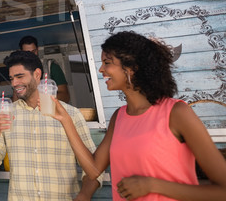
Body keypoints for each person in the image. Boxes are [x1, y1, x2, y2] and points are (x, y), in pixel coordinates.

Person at [50, 31, 226, 200]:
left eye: (107, 62)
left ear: (132, 67)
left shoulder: (176, 113)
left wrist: (153, 185)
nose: (101, 69)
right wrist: (66, 120)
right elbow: (94, 169)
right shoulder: (118, 117)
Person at [0, 50, 101, 200]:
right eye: (11, 78)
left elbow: (94, 170)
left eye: (19, 76)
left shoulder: (71, 114)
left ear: (37, 74)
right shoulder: (5, 115)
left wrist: (84, 195)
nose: (14, 83)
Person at [19, 35, 70, 102]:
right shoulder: (18, 72)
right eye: (27, 53)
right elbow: (16, 100)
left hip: (50, 110)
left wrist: (45, 100)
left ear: (37, 49)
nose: (31, 56)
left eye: (33, 52)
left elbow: (65, 96)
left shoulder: (51, 66)